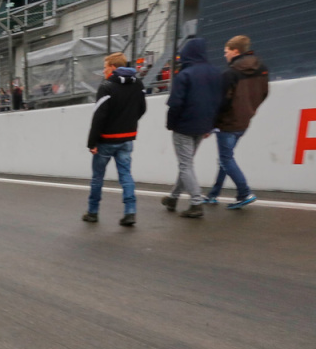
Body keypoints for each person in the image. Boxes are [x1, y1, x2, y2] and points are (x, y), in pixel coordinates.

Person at [161, 37, 222, 219]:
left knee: (185, 164)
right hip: (203, 126)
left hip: (183, 126)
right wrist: (211, 125)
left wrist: (171, 124)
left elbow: (175, 104)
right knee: (186, 164)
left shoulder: (185, 74)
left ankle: (196, 202)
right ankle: (173, 198)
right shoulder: (216, 73)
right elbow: (218, 102)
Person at [83, 52, 146, 227]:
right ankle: (130, 212)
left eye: (105, 67)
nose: (103, 71)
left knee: (98, 177)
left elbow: (99, 117)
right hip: (127, 139)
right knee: (126, 175)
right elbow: (142, 109)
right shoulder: (138, 83)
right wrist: (128, 123)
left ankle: (93, 212)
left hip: (106, 140)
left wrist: (92, 142)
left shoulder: (107, 86)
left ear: (112, 67)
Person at [206, 35, 268, 210]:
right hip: (244, 121)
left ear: (235, 51)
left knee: (226, 159)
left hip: (227, 122)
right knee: (226, 158)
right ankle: (213, 195)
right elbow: (264, 92)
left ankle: (244, 192)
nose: (224, 55)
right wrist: (251, 109)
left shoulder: (230, 73)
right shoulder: (261, 68)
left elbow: (222, 101)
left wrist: (211, 123)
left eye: (226, 51)